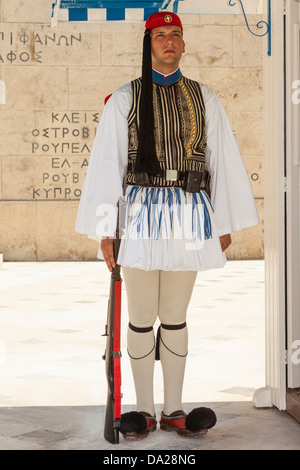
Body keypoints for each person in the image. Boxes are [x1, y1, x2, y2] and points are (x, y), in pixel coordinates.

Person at [75, 11, 259, 440]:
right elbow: (107, 166)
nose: (170, 42)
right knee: (141, 317)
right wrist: (107, 230)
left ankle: (174, 408)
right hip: (139, 213)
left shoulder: (203, 96)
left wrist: (223, 221)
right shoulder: (125, 97)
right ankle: (142, 410)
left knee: (174, 316)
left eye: (176, 35)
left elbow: (223, 161)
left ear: (183, 43)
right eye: (161, 36)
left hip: (191, 213)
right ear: (148, 44)